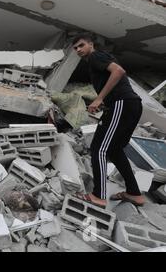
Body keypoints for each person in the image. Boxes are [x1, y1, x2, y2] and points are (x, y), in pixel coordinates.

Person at [72, 33, 145, 208]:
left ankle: (99, 196)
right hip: (127, 105)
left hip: (122, 104)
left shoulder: (96, 56)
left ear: (90, 44)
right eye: (75, 48)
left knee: (99, 149)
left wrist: (99, 99)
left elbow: (119, 71)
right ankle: (134, 193)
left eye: (81, 45)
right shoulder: (95, 62)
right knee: (114, 150)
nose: (78, 50)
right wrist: (103, 102)